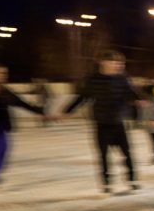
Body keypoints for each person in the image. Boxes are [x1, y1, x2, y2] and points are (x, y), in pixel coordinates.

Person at [61, 50, 145, 194]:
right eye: (115, 63)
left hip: (118, 122)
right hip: (101, 122)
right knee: (103, 155)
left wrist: (139, 99)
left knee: (127, 152)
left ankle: (132, 179)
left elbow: (131, 92)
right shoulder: (92, 80)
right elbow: (82, 97)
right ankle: (106, 182)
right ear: (103, 63)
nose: (118, 66)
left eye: (120, 64)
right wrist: (67, 111)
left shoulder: (123, 78)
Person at [0, 63, 47, 191]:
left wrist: (38, 111)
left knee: (2, 154)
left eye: (4, 73)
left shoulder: (4, 91)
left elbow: (20, 102)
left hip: (1, 128)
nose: (2, 76)